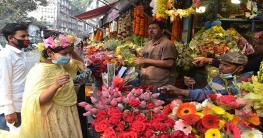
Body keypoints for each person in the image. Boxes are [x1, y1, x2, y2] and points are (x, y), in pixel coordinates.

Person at [20, 34, 86, 138]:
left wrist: (70, 48)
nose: (68, 57)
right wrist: (55, 86)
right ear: (49, 52)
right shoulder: (40, 71)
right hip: (53, 117)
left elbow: (79, 64)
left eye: (70, 53)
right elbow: (37, 100)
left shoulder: (59, 65)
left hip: (67, 114)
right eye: (64, 53)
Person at [159, 52, 253, 102]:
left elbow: (215, 94)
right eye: (220, 64)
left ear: (240, 68)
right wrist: (193, 86)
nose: (220, 67)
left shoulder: (244, 83)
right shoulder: (218, 78)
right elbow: (205, 91)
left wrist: (182, 91)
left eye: (226, 65)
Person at [133, 20, 177, 103]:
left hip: (160, 85)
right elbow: (146, 59)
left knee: (158, 111)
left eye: (154, 28)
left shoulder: (167, 44)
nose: (151, 30)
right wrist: (136, 54)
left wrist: (145, 60)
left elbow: (169, 63)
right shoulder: (148, 44)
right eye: (149, 28)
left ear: (162, 30)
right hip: (147, 85)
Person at [0, 23, 30, 131]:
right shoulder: (6, 56)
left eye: (27, 36)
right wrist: (9, 109)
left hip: (21, 104)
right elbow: (4, 84)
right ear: (10, 38)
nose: (27, 39)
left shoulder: (20, 53)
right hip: (13, 109)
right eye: (23, 36)